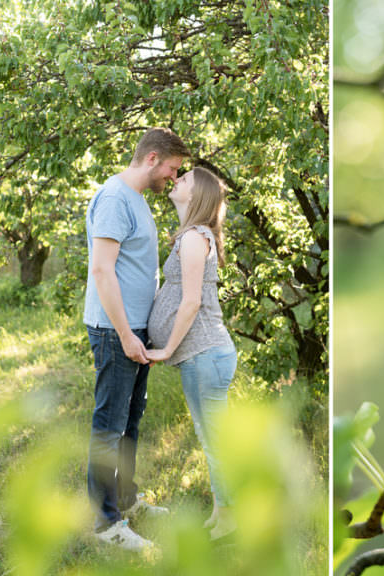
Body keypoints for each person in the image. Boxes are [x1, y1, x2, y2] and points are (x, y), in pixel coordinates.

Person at [84, 127, 190, 550]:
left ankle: (127, 500)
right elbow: (102, 270)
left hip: (135, 331)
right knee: (108, 428)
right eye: (172, 168)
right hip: (116, 332)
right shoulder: (114, 198)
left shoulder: (137, 200)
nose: (174, 177)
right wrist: (127, 334)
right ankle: (106, 524)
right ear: (152, 159)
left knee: (130, 422)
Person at [146, 167, 238, 540]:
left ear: (196, 195)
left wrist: (167, 347)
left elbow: (191, 301)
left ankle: (231, 519)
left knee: (216, 442)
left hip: (205, 352)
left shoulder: (195, 238)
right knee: (210, 438)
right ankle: (222, 511)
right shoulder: (193, 236)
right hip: (202, 355)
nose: (176, 181)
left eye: (183, 180)